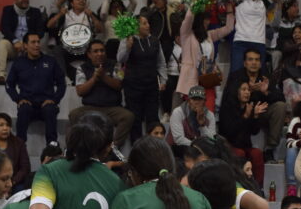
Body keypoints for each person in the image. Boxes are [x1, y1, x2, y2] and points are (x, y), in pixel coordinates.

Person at [69, 40, 136, 150]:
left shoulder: (116, 65)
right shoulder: (82, 68)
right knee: (74, 114)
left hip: (112, 108)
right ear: (89, 54)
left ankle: (113, 148)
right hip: (90, 107)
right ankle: (82, 147)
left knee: (128, 116)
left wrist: (103, 76)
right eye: (96, 51)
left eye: (102, 50)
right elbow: (80, 91)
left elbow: (119, 85)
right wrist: (94, 78)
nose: (100, 53)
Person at [224, 48, 287, 163]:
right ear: (244, 63)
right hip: (243, 114)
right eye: (250, 59)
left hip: (261, 113)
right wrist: (248, 92)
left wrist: (265, 91)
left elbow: (280, 97)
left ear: (260, 63)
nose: (254, 63)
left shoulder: (265, 76)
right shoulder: (236, 76)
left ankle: (270, 148)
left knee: (280, 106)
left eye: (257, 60)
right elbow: (229, 99)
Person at [7, 32, 66, 145]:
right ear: (25, 45)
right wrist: (18, 99)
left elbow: (61, 83)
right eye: (33, 42)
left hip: (46, 103)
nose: (37, 45)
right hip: (28, 103)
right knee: (23, 108)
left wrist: (54, 100)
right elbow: (9, 84)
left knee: (50, 109)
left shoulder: (50, 61)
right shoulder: (19, 63)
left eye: (38, 42)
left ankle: (52, 145)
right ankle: (20, 145)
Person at [175, 5, 235, 113]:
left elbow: (229, 28)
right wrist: (197, 1)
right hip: (191, 82)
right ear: (198, 20)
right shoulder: (187, 34)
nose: (208, 22)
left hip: (207, 80)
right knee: (193, 117)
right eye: (205, 19)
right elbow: (188, 18)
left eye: (208, 19)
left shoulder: (209, 35)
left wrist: (229, 10)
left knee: (209, 115)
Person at [118, 14, 167, 143]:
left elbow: (161, 63)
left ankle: (155, 147)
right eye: (144, 23)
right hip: (133, 86)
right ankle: (137, 149)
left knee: (153, 118)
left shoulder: (155, 41)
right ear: (136, 26)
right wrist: (128, 47)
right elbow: (120, 59)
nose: (148, 26)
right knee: (135, 119)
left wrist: (163, 80)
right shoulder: (128, 39)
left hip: (151, 85)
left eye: (148, 23)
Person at [228, 0, 286, 72]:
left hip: (258, 42)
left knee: (259, 75)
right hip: (241, 42)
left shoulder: (263, 2)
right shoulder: (240, 0)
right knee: (236, 73)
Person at [48, 0, 103, 81]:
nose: (81, 1)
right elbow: (49, 25)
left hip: (86, 48)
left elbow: (100, 30)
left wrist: (92, 16)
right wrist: (60, 14)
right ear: (72, 3)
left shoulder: (89, 14)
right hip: (68, 48)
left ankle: (95, 76)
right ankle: (63, 78)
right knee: (57, 50)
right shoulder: (65, 14)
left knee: (98, 50)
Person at [0, 0, 47, 84]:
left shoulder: (35, 12)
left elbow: (41, 31)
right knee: (2, 43)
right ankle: (1, 76)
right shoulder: (8, 10)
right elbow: (5, 29)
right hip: (13, 45)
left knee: (37, 47)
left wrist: (28, 43)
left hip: (29, 46)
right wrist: (15, 41)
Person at [217, 81, 266, 184]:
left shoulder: (249, 107)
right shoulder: (227, 108)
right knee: (240, 153)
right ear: (236, 92)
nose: (247, 92)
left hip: (245, 145)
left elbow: (254, 131)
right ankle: (240, 184)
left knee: (257, 153)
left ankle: (258, 187)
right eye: (243, 90)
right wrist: (245, 116)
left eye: (248, 90)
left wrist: (256, 116)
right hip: (229, 145)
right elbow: (229, 132)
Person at [0, 113, 31, 192]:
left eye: (8, 125)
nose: (5, 128)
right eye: (1, 125)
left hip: (14, 182)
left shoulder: (19, 143)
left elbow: (25, 168)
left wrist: (12, 182)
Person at [275, 24, 301, 109]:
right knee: (292, 83)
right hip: (287, 78)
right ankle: (292, 111)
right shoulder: (288, 44)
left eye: (300, 32)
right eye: (294, 33)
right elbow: (287, 49)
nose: (297, 34)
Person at [170, 85, 217, 151]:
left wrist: (202, 125)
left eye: (200, 99)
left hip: (202, 151)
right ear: (188, 101)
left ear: (204, 101)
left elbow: (212, 139)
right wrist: (198, 147)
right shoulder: (178, 112)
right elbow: (178, 139)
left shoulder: (209, 115)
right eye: (194, 99)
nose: (197, 102)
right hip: (181, 149)